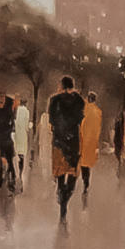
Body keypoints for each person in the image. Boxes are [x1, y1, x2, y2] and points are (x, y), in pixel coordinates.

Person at [47, 75, 87, 220]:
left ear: (62, 86)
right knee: (72, 173)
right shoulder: (80, 101)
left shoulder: (54, 100)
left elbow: (51, 121)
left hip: (59, 141)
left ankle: (60, 191)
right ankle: (66, 197)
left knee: (60, 172)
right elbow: (80, 119)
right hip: (74, 142)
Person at [77, 92, 103, 201]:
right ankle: (86, 184)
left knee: (83, 162)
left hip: (83, 140)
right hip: (92, 141)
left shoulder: (84, 110)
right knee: (88, 163)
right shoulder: (98, 112)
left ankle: (83, 181)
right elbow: (98, 129)